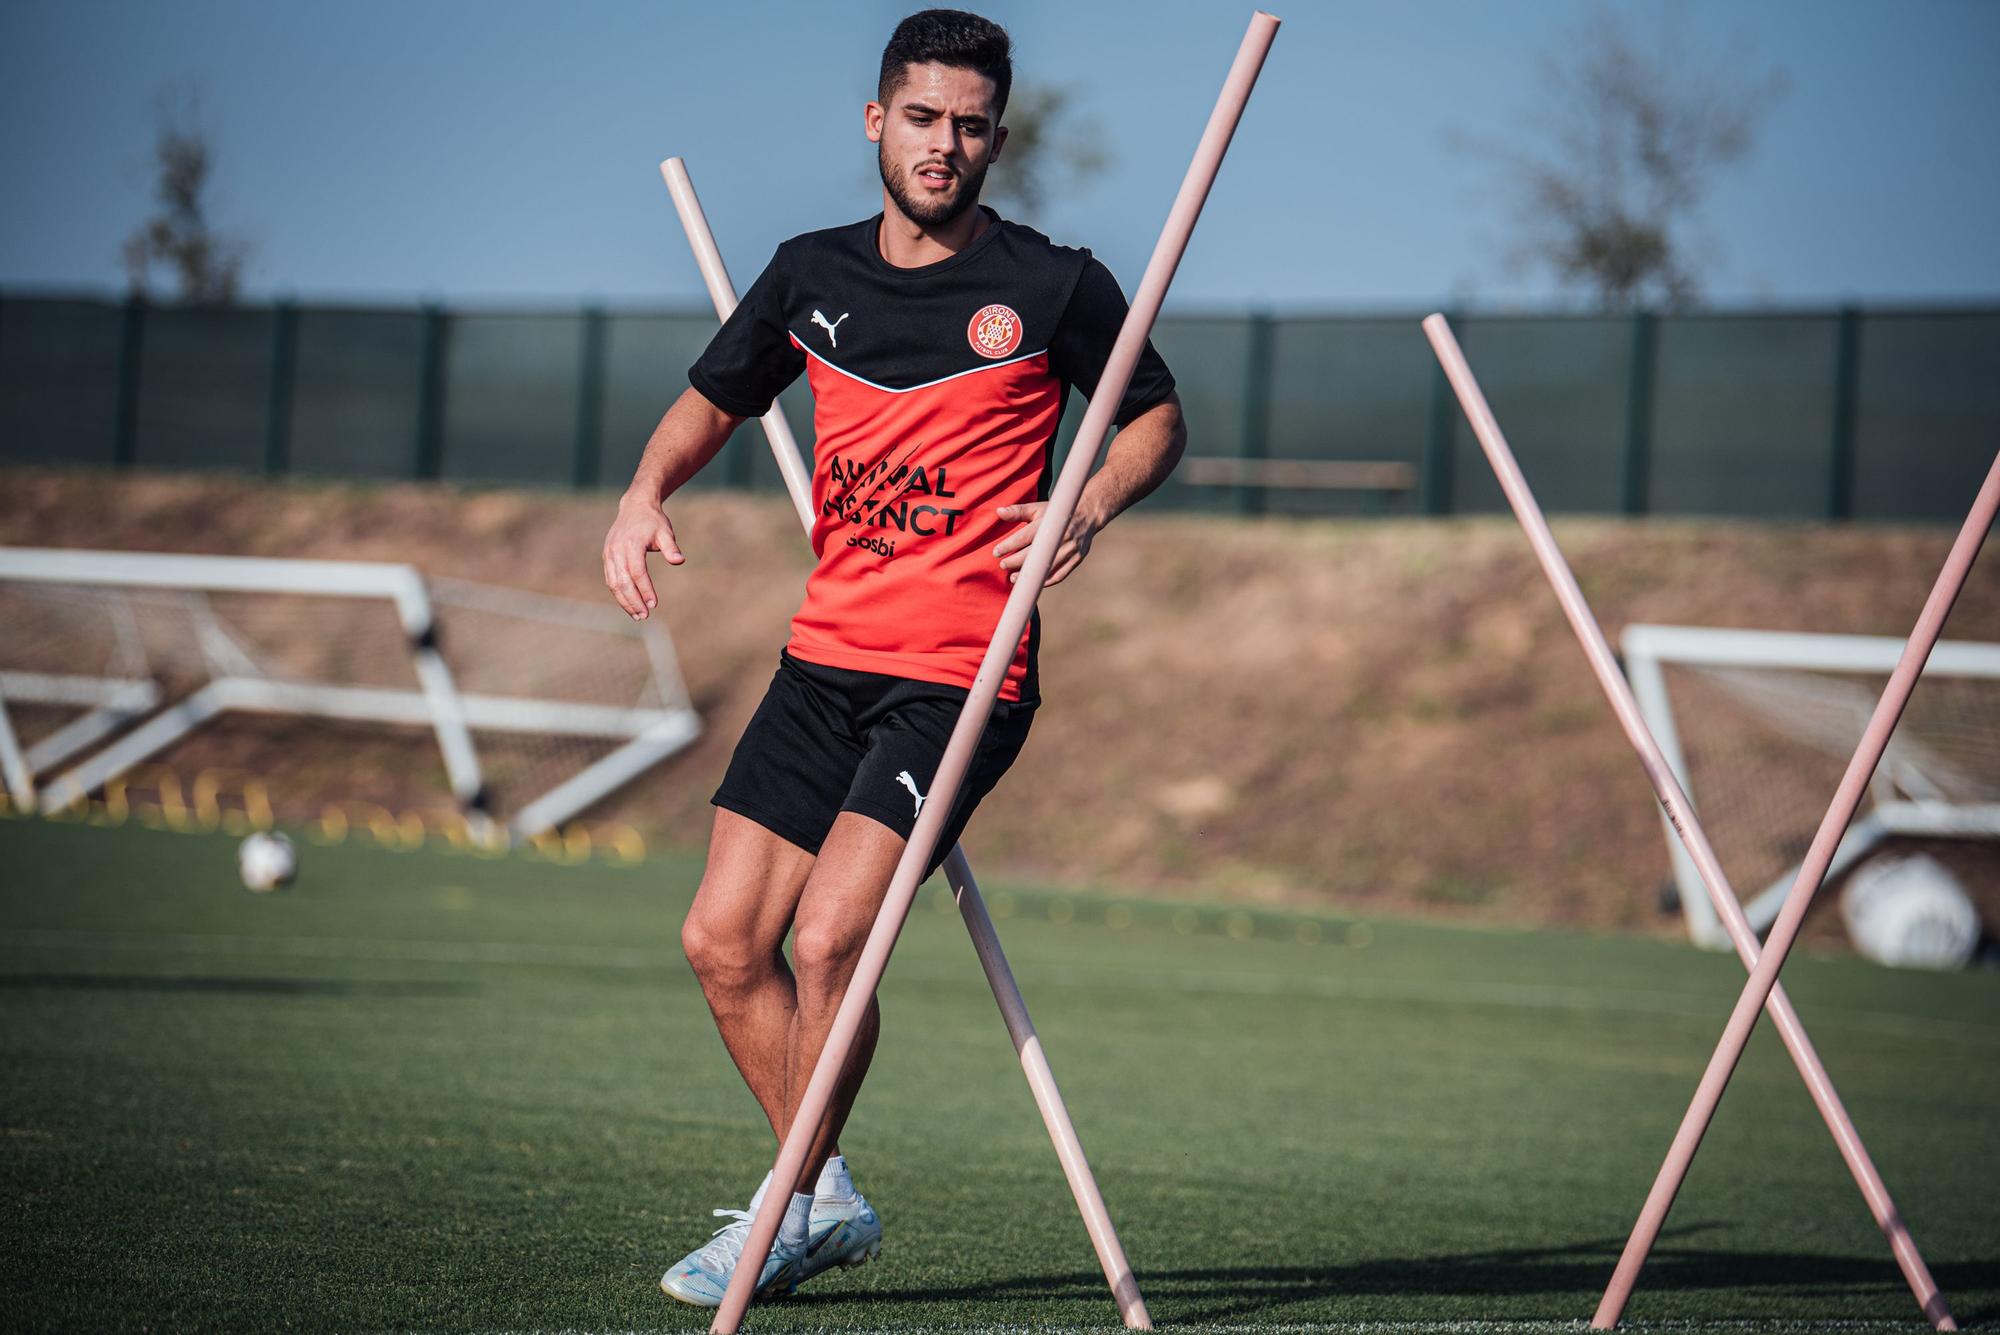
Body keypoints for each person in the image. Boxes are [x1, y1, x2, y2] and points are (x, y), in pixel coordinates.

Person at [600, 7, 1185, 1307]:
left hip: (961, 677)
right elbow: (716, 396)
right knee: (719, 940)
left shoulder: (1051, 285)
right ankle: (825, 1192)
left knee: (830, 944)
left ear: (998, 139)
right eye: (922, 117)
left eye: (971, 124)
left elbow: (1153, 414)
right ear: (878, 121)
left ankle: (782, 1213)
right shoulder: (810, 273)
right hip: (825, 662)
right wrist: (646, 492)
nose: (945, 144)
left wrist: (1086, 504)